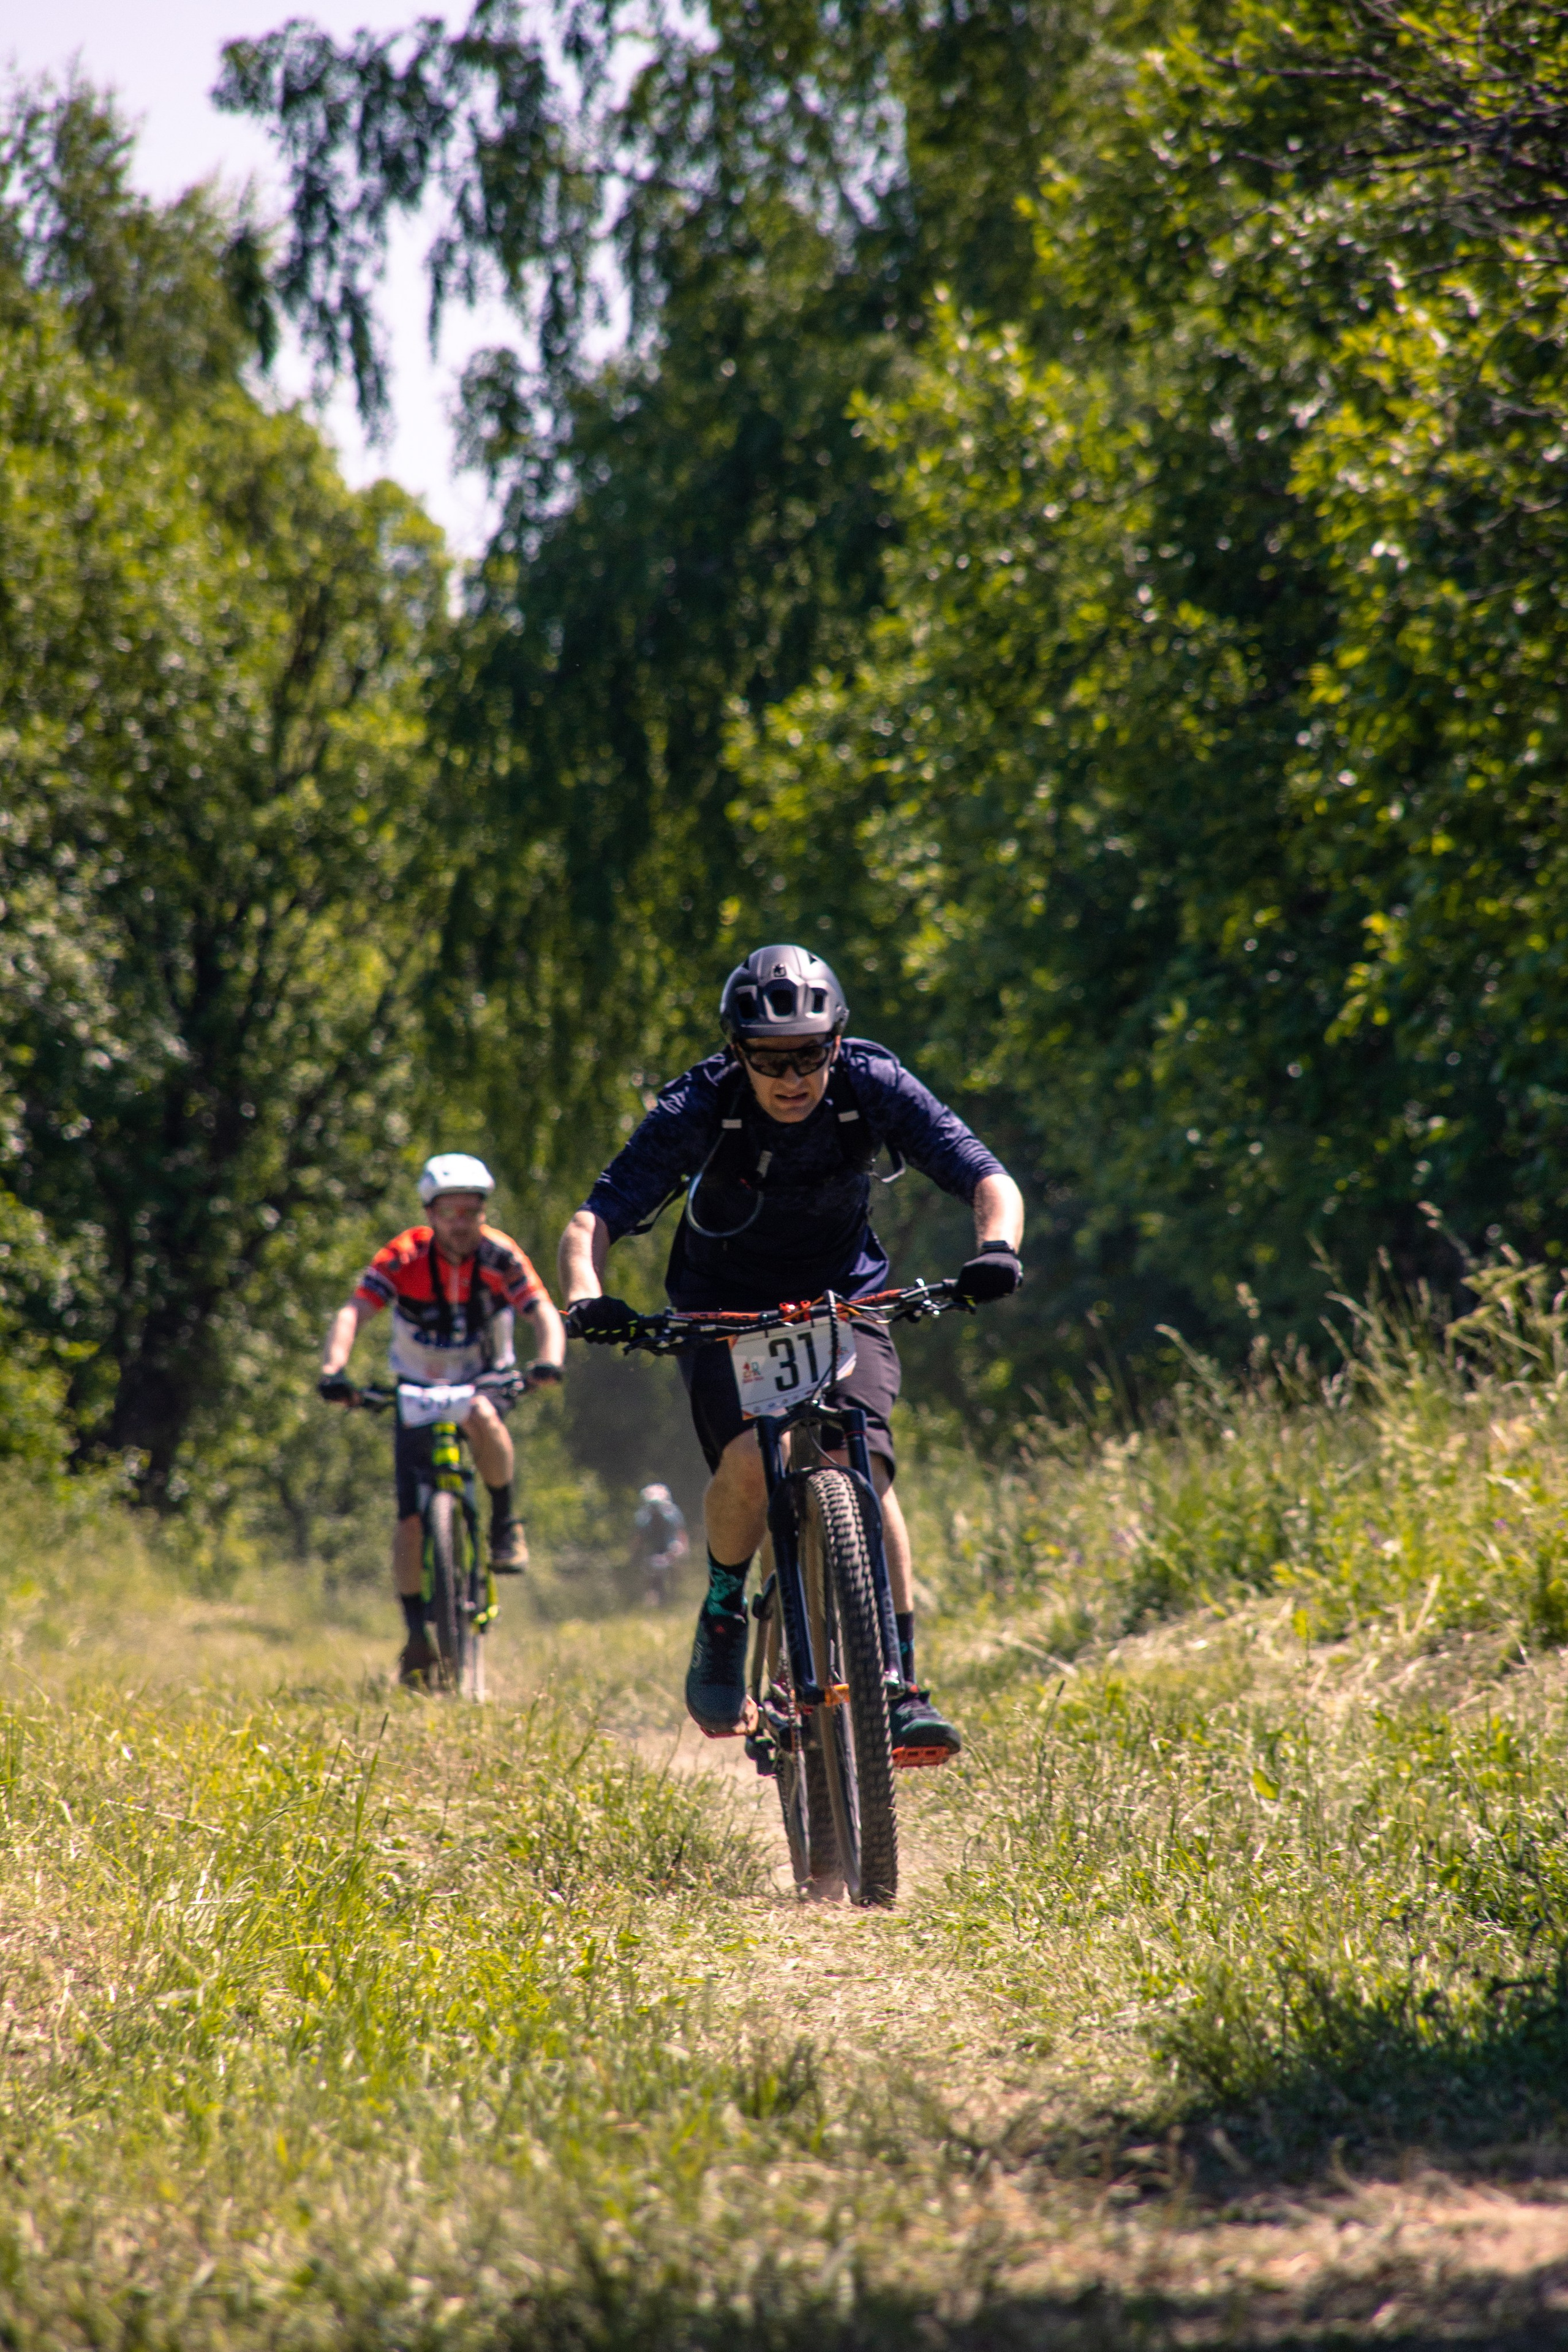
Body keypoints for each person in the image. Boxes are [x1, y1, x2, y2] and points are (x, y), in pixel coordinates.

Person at [557, 944, 1023, 1761]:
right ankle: (723, 1614)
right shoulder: (700, 1104)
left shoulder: (872, 1083)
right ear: (738, 1052)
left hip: (848, 1297)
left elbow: (987, 1175)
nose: (792, 1075)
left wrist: (998, 1249)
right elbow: (593, 1218)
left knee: (865, 1467)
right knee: (744, 1465)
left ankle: (900, 1685)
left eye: (810, 1052)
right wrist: (586, 1295)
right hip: (723, 1304)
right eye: (770, 1058)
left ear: (836, 1043)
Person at [319, 1152, 565, 1684]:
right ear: (430, 1214)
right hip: (417, 1386)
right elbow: (353, 1310)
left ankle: (504, 1520)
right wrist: (334, 1368)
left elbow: (542, 1310)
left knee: (481, 1413)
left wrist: (549, 1359)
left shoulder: (500, 1256)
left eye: (472, 1212)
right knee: (408, 1520)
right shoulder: (403, 1257)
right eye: (451, 1212)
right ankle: (414, 1634)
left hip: (483, 1378)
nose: (462, 1223)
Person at [631, 1481, 689, 1606]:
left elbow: (680, 1534)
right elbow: (639, 1538)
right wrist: (634, 1555)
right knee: (651, 1571)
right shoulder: (643, 1517)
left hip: (671, 1545)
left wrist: (681, 1551)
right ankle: (654, 1595)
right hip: (654, 1549)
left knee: (674, 1563)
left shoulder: (672, 1514)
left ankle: (675, 1594)